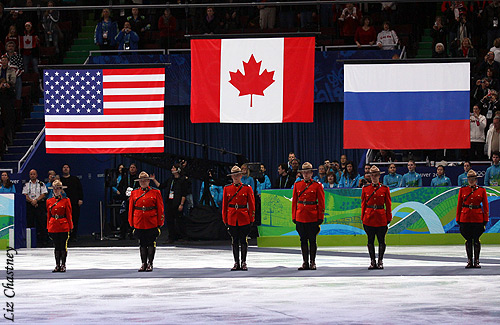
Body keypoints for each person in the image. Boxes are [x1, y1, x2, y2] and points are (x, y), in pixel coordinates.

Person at [292, 162, 325, 270]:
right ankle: (305, 262)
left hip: (312, 216)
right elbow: (294, 202)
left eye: (308, 172)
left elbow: (321, 202)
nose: (306, 174)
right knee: (302, 240)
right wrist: (294, 216)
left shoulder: (317, 185)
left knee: (312, 240)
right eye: (304, 172)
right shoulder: (297, 185)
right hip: (301, 215)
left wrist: (320, 216)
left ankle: (312, 262)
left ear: (311, 173)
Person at [129, 171, 164, 272]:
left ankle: (150, 263)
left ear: (149, 181)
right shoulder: (134, 193)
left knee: (151, 243)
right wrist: (131, 222)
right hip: (139, 221)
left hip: (151, 220)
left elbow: (160, 208)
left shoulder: (156, 192)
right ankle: (143, 263)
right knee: (142, 243)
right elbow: (131, 208)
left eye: (145, 180)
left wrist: (160, 222)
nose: (143, 182)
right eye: (141, 180)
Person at [222, 166, 255, 271]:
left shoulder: (247, 188)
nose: (236, 177)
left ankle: (243, 262)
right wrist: (225, 219)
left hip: (243, 217)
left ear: (241, 176)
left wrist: (251, 218)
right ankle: (236, 262)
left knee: (243, 240)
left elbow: (251, 205)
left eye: (237, 175)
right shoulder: (227, 188)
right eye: (234, 175)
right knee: (234, 240)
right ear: (231, 177)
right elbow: (224, 206)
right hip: (232, 217)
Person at [361, 166, 392, 269]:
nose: (374, 177)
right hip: (369, 217)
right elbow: (363, 204)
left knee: (381, 240)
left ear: (379, 176)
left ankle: (380, 261)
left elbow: (388, 204)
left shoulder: (384, 188)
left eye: (375, 175)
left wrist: (388, 218)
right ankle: (372, 261)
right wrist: (363, 217)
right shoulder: (365, 188)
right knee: (370, 241)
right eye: (372, 175)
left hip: (381, 217)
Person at [456, 170, 489, 268]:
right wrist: (458, 218)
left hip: (477, 218)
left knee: (476, 240)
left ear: (476, 180)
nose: (471, 181)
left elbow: (486, 206)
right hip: (465, 218)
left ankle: (477, 261)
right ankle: (470, 260)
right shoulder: (463, 190)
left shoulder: (481, 190)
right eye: (469, 179)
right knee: (468, 240)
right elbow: (459, 206)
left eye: (473, 179)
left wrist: (485, 218)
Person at [152, 163, 187, 244]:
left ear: (178, 170)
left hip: (177, 203)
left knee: (179, 220)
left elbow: (184, 193)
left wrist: (181, 204)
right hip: (169, 202)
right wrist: (154, 179)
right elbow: (160, 186)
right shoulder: (170, 179)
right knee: (170, 221)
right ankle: (171, 237)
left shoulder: (182, 180)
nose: (172, 169)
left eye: (173, 168)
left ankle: (182, 236)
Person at [46, 180, 72, 273]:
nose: (56, 190)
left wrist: (70, 226)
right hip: (54, 225)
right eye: (55, 188)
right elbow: (49, 215)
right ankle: (57, 265)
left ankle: (63, 265)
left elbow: (69, 214)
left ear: (61, 189)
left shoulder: (66, 200)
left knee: (63, 246)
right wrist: (48, 226)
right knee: (56, 246)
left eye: (58, 188)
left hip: (63, 225)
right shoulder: (49, 201)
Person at [22, 169, 48, 245]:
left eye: (34, 174)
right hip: (30, 205)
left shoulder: (41, 184)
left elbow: (44, 194)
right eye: (31, 174)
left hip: (39, 204)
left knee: (42, 222)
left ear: (36, 175)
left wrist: (36, 200)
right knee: (30, 222)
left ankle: (44, 240)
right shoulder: (26, 184)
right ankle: (31, 240)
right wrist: (32, 201)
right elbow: (25, 194)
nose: (32, 175)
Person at [60, 164, 83, 241]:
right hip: (63, 203)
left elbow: (80, 189)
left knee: (74, 219)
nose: (65, 169)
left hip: (74, 202)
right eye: (64, 167)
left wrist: (80, 199)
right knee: (64, 220)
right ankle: (65, 236)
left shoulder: (75, 179)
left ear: (69, 169)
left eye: (67, 167)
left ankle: (73, 236)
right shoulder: (60, 180)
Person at [117, 163, 139, 239]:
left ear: (136, 169)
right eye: (131, 167)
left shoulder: (138, 178)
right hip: (126, 200)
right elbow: (119, 187)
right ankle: (122, 234)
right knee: (124, 217)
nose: (132, 169)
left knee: (134, 217)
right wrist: (124, 195)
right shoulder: (126, 177)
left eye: (134, 167)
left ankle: (132, 233)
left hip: (135, 200)